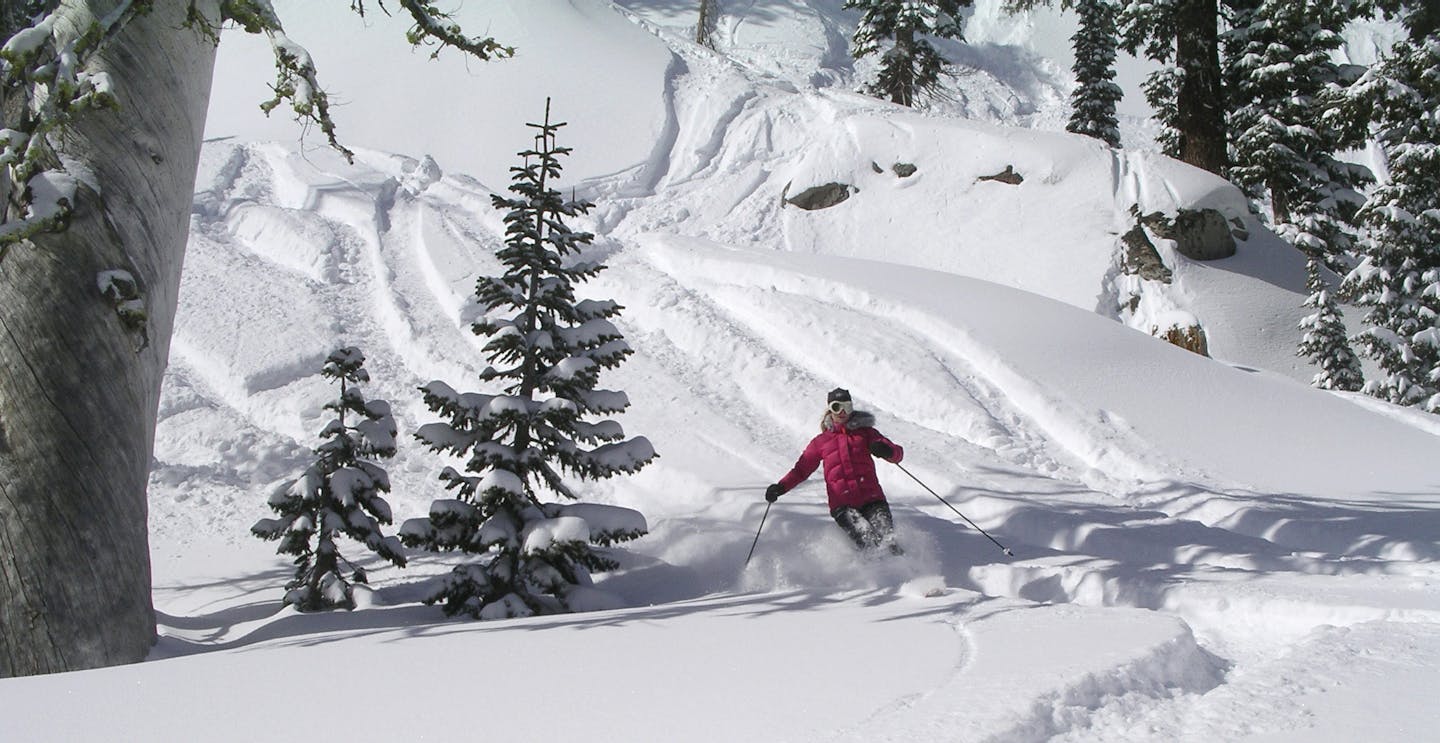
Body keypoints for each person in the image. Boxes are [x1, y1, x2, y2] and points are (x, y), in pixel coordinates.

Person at [766, 388, 905, 555]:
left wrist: (887, 451)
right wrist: (780, 487)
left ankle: (906, 572)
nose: (842, 412)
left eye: (847, 406)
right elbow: (801, 470)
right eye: (837, 406)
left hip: (872, 498)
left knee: (888, 541)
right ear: (829, 409)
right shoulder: (821, 442)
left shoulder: (867, 433)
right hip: (843, 505)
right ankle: (875, 577)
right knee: (868, 542)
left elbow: (897, 455)